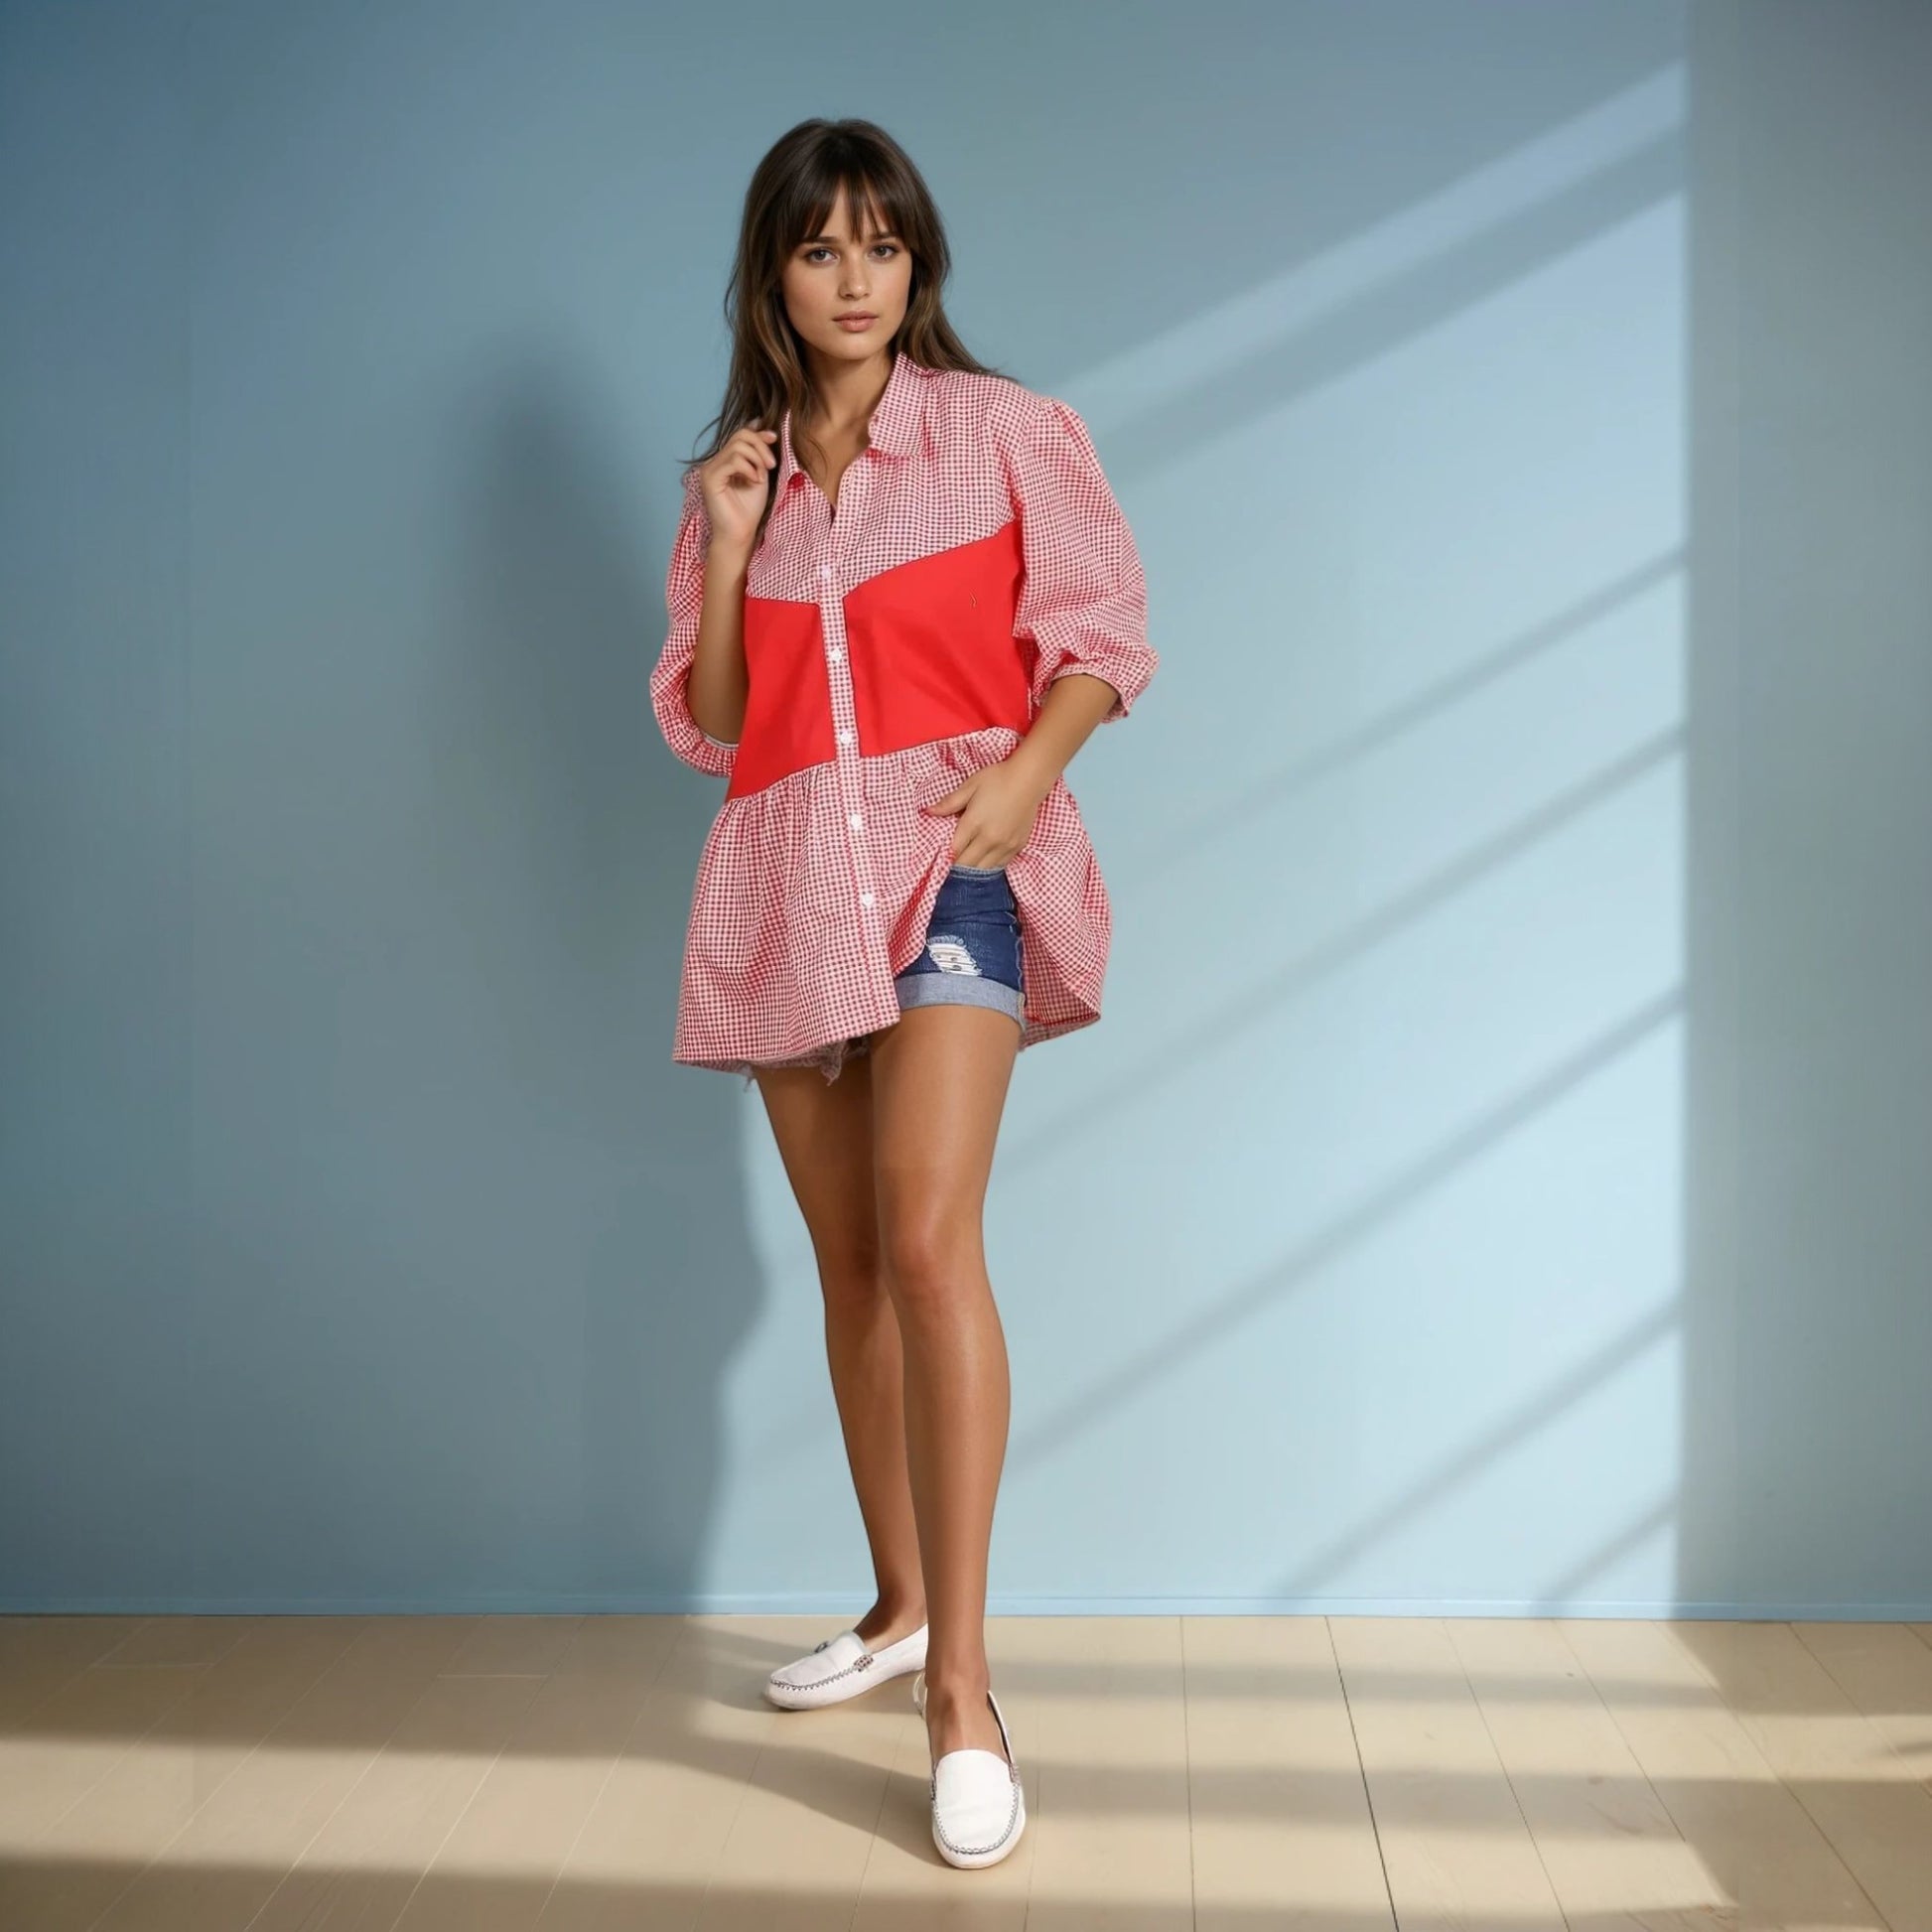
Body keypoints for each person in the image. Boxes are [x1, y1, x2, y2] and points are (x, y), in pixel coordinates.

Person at [649, 117, 1157, 1871]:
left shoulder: (1010, 432)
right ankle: (891, 1602)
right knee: (851, 1263)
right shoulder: (743, 478)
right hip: (787, 885)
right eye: (818, 249)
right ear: (772, 276)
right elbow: (718, 720)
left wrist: (1019, 787)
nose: (854, 277)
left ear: (915, 262)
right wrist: (723, 545)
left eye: (881, 244)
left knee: (932, 1241)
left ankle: (964, 1690)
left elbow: (1102, 631)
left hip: (950, 858)